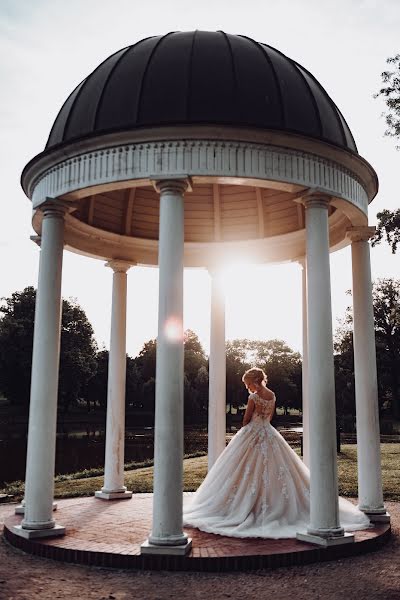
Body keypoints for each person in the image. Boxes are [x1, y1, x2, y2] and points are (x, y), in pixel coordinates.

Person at [183, 367, 370, 539]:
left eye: (247, 384)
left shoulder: (253, 398)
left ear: (254, 381)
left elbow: (246, 419)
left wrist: (247, 427)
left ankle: (243, 506)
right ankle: (272, 505)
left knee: (240, 468)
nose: (247, 387)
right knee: (275, 468)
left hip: (252, 432)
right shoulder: (272, 395)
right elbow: (270, 417)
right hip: (269, 432)